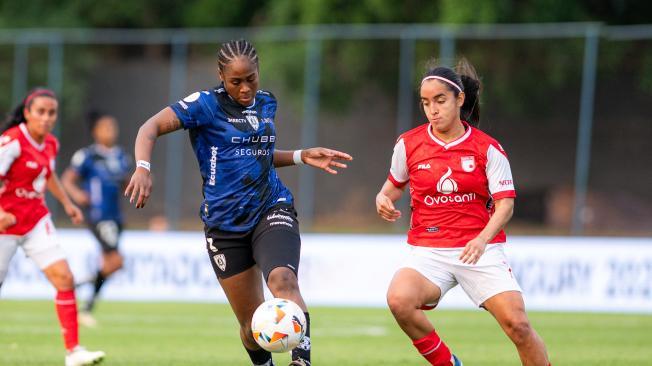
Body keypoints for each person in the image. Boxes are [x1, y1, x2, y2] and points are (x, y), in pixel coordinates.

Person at [125, 39, 352, 366]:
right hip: (225, 226)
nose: (245, 88)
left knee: (284, 281)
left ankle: (302, 361)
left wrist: (301, 156)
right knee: (250, 326)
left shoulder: (266, 103)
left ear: (259, 73)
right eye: (236, 81)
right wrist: (143, 168)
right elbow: (150, 127)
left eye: (251, 79)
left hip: (270, 207)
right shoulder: (204, 105)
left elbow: (255, 158)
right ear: (221, 75)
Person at [375, 59, 551, 366]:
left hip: (480, 251)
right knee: (399, 300)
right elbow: (392, 186)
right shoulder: (408, 144)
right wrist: (382, 198)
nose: (433, 109)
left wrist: (482, 239)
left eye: (440, 100)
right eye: (426, 103)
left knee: (519, 326)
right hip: (428, 252)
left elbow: (505, 204)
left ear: (460, 99)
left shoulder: (487, 148)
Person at [0, 88, 105, 366]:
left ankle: (74, 352)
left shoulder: (50, 144)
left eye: (52, 113)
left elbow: (48, 175)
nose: (46, 118)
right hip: (5, 224)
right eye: (41, 112)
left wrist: (68, 204)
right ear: (27, 113)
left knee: (64, 278)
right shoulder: (11, 141)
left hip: (35, 220)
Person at [61, 112, 131, 326]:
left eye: (113, 126)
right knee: (117, 262)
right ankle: (78, 291)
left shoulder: (121, 156)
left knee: (111, 264)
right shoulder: (87, 156)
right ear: (95, 132)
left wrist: (141, 181)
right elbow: (67, 179)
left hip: (116, 216)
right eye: (105, 127)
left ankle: (85, 304)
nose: (110, 131)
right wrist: (78, 195)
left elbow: (127, 181)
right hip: (99, 216)